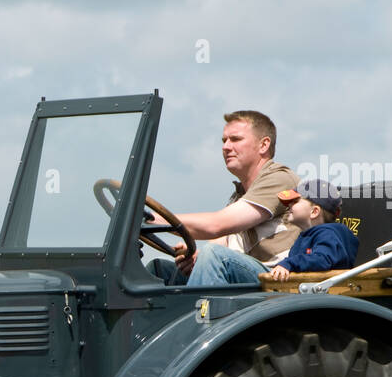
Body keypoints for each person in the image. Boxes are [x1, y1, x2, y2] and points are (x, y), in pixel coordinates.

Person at [151, 110, 301, 285]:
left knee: (214, 256)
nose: (226, 147)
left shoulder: (279, 179)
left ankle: (200, 312)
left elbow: (217, 225)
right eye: (224, 141)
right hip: (246, 275)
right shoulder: (242, 193)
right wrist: (195, 256)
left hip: (275, 280)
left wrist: (152, 220)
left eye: (235, 139)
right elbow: (226, 239)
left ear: (263, 145)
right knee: (159, 270)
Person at [264, 181, 359, 281]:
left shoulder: (327, 235)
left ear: (314, 212)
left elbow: (322, 260)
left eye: (295, 201)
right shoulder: (309, 236)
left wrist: (289, 263)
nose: (289, 205)